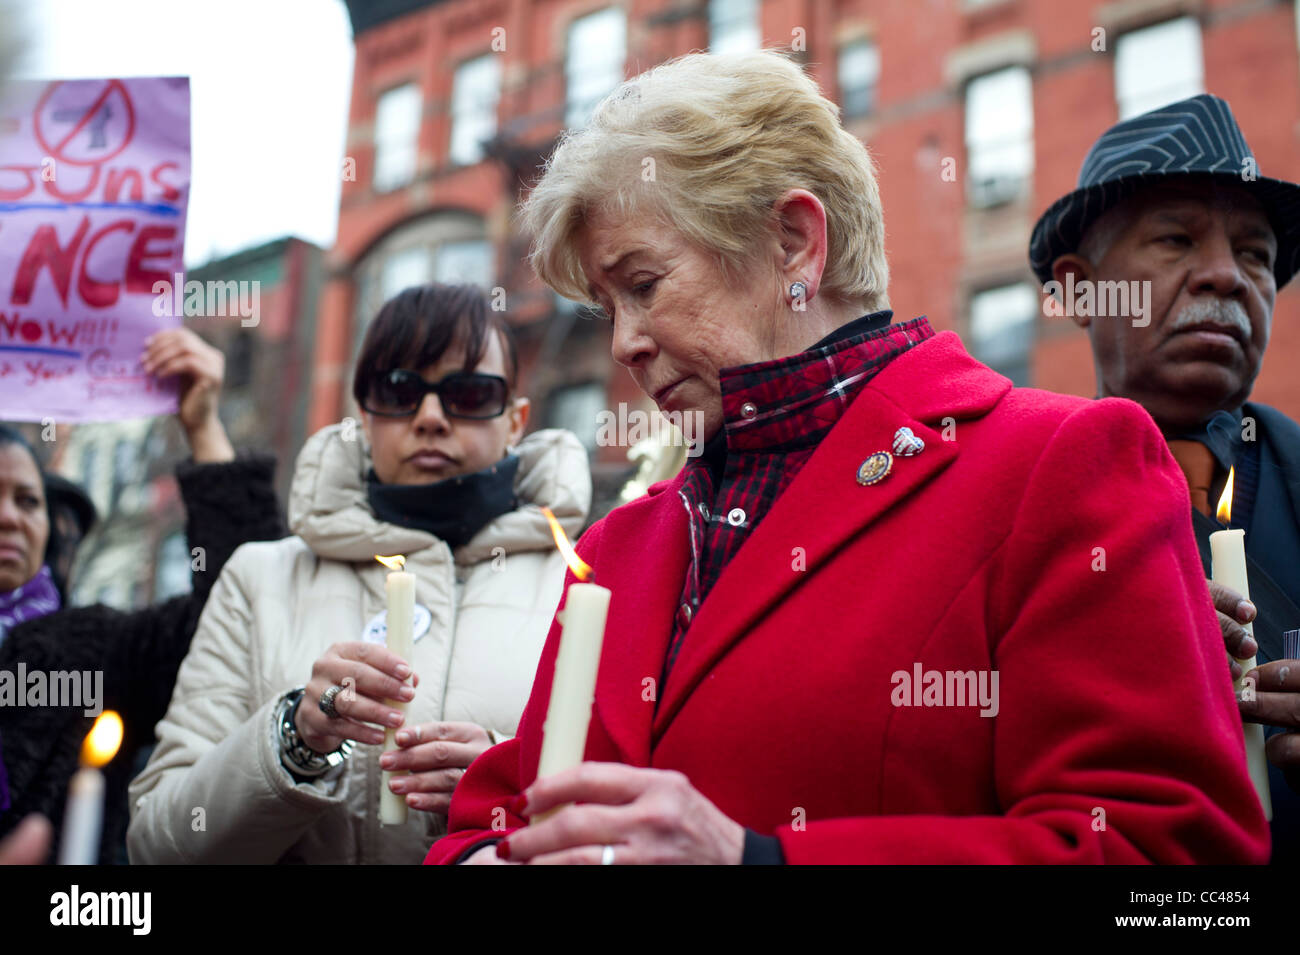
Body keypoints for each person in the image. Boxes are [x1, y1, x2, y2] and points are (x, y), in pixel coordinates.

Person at [426, 50, 1268, 866]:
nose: (625, 345)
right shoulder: (616, 549)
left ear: (795, 242)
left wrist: (758, 859)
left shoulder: (1059, 465)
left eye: (643, 286)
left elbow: (1170, 859)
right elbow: (489, 817)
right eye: (607, 308)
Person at [127, 283, 591, 864]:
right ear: (364, 416)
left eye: (468, 393)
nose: (430, 418)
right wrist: (294, 740)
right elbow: (158, 845)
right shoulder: (262, 578)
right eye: (398, 391)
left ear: (516, 420)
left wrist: (506, 781)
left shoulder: (587, 583)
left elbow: (650, 808)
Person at [1031, 93, 1300, 862]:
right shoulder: (1015, 500)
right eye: (1177, 238)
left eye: (1256, 254)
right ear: (1079, 289)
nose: (1226, 275)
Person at [0, 327, 285, 863]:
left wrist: (202, 428)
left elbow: (242, 604)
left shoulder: (97, 648)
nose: (11, 517)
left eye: (27, 500)